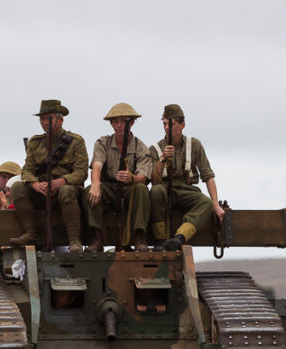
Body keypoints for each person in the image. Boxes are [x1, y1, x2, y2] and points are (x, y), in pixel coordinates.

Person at [9, 99, 88, 250]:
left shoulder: (75, 141)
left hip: (67, 193)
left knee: (66, 191)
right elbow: (27, 170)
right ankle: (31, 233)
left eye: (49, 118)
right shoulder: (35, 143)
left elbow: (81, 172)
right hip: (43, 191)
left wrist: (63, 181)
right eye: (42, 119)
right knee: (17, 187)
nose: (45, 122)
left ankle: (74, 240)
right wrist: (35, 184)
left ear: (60, 119)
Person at [148, 104, 224, 251]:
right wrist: (162, 159)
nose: (167, 128)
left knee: (205, 203)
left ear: (182, 125)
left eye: (172, 124)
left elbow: (207, 175)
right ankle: (159, 240)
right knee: (156, 191)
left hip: (186, 190)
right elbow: (155, 181)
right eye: (164, 124)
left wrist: (215, 204)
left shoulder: (194, 144)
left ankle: (179, 238)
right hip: (164, 189)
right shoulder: (155, 149)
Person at [84, 103, 153, 252]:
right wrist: (95, 184)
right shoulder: (103, 142)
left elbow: (145, 176)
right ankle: (96, 238)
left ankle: (140, 236)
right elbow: (97, 165)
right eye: (116, 121)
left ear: (132, 123)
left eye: (124, 121)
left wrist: (132, 178)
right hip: (109, 187)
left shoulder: (141, 146)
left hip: (130, 188)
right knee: (89, 190)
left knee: (141, 189)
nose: (120, 125)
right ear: (112, 124)